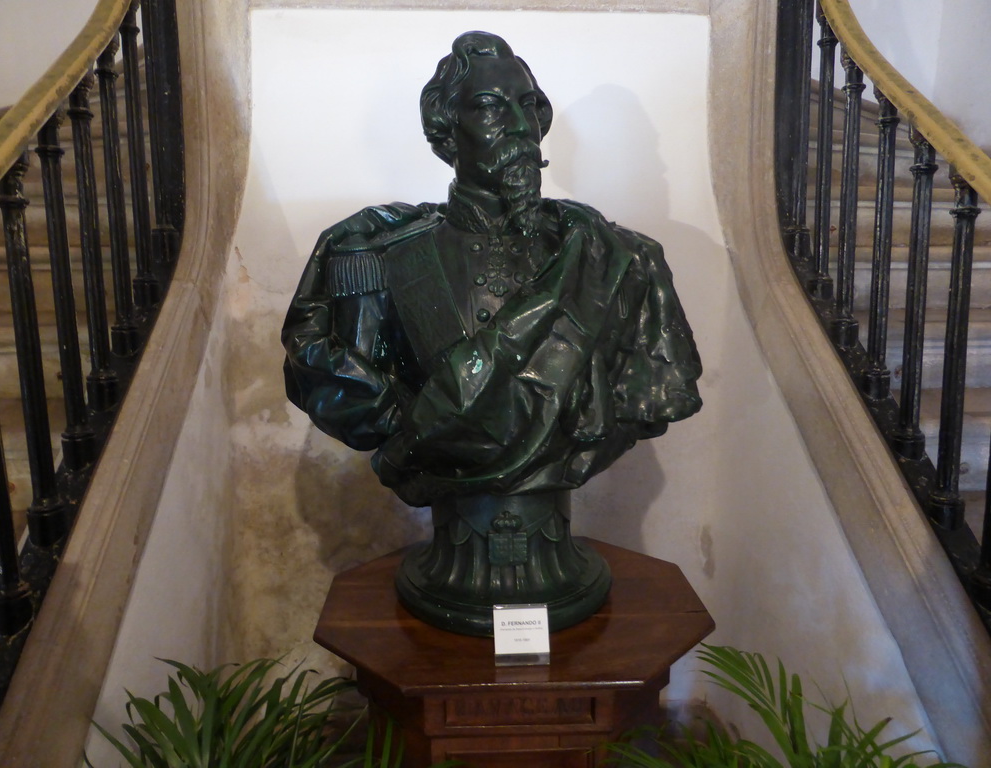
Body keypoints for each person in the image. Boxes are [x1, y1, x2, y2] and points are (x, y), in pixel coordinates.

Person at [282, 31, 701, 634]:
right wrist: (414, 423)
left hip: (563, 566)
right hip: (447, 568)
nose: (518, 125)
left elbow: (654, 396)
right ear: (446, 131)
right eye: (488, 107)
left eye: (528, 106)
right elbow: (331, 372)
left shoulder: (616, 261)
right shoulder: (380, 260)